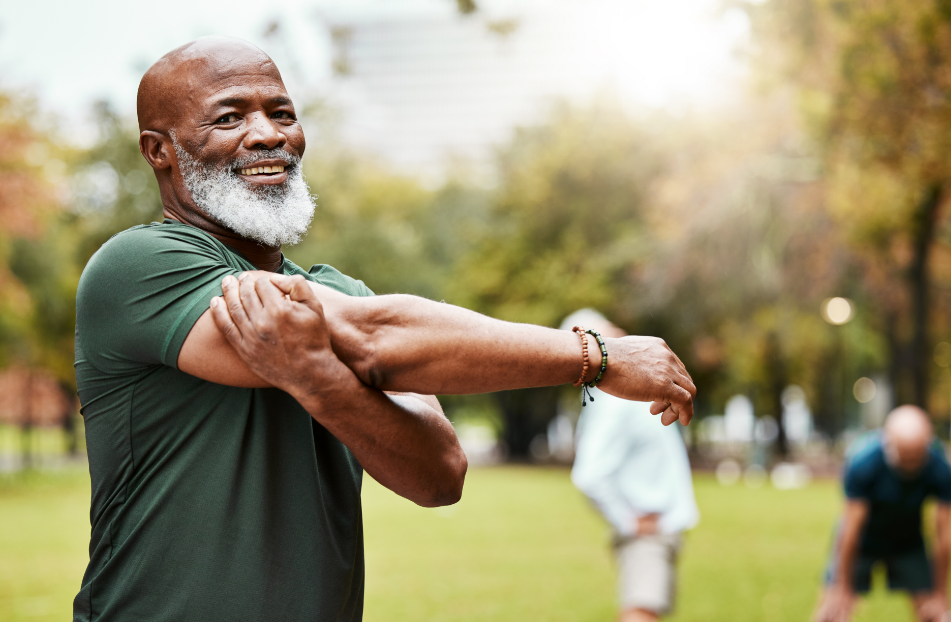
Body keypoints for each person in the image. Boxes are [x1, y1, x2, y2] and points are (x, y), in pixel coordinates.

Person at [73, 36, 697, 622]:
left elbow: (440, 474)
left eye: (282, 113)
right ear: (158, 150)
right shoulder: (137, 266)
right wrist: (596, 357)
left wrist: (319, 381)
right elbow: (375, 338)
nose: (267, 134)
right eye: (229, 117)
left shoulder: (341, 292)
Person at [567, 310, 699, 622]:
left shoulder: (624, 396)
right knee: (642, 611)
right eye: (606, 336)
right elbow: (589, 476)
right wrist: (628, 521)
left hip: (657, 525)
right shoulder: (616, 402)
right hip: (649, 528)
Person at [814, 405, 951, 622]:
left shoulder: (939, 466)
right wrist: (842, 587)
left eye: (917, 456)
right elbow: (850, 529)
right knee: (832, 612)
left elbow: (944, 535)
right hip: (863, 541)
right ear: (888, 443)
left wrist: (940, 593)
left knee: (935, 614)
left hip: (908, 541)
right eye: (905, 457)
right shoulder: (864, 462)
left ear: (927, 444)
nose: (911, 465)